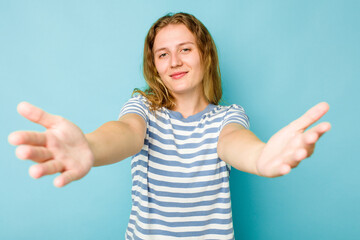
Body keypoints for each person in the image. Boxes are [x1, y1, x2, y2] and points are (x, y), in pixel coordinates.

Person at [8, 12, 331, 240]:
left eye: (185, 49)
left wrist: (260, 158)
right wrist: (90, 146)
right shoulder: (144, 109)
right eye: (163, 54)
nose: (174, 61)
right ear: (156, 67)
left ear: (206, 55)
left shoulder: (228, 117)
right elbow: (126, 133)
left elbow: (234, 142)